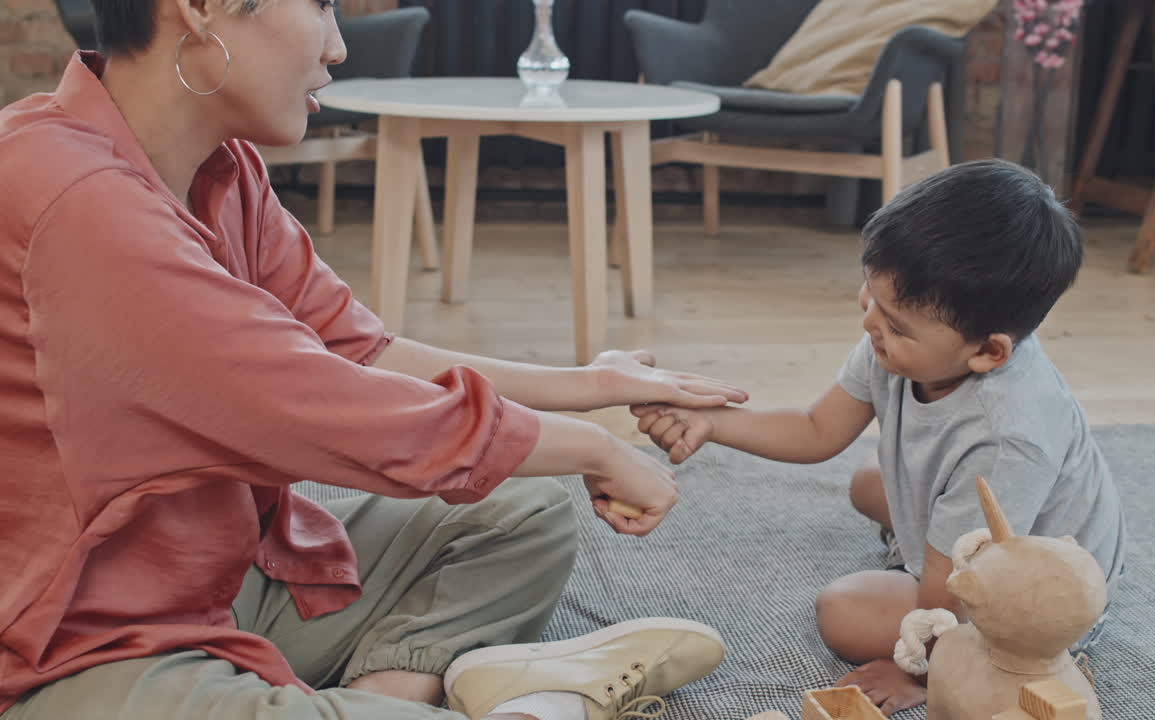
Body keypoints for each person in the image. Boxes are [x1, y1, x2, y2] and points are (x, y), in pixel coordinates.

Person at [0, 0, 747, 717]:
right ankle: (520, 701)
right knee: (518, 460)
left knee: (523, 505)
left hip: (218, 586)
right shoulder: (72, 194)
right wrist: (591, 445)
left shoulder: (224, 172)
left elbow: (363, 352)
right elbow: (324, 408)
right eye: (321, 4)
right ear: (200, 6)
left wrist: (590, 387)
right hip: (72, 649)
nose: (338, 46)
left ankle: (388, 698)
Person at [632, 160, 1127, 714]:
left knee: (840, 611)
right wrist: (715, 422)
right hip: (959, 546)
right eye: (869, 294)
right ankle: (911, 552)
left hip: (1027, 602)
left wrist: (923, 669)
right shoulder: (900, 341)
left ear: (988, 351)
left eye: (895, 324)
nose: (871, 323)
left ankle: (931, 619)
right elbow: (817, 429)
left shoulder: (1007, 438)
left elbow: (954, 585)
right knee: (867, 483)